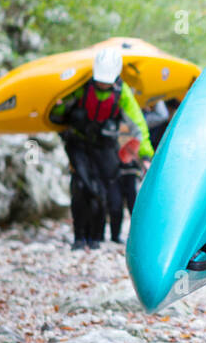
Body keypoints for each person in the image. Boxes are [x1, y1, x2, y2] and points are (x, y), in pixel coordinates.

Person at [50, 47, 154, 251]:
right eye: (100, 80)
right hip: (79, 143)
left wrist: (145, 154)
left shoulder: (121, 92)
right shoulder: (82, 85)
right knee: (81, 187)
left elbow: (138, 125)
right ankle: (80, 238)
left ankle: (96, 238)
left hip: (104, 145)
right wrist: (60, 107)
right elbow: (57, 110)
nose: (103, 84)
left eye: (107, 81)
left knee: (102, 191)